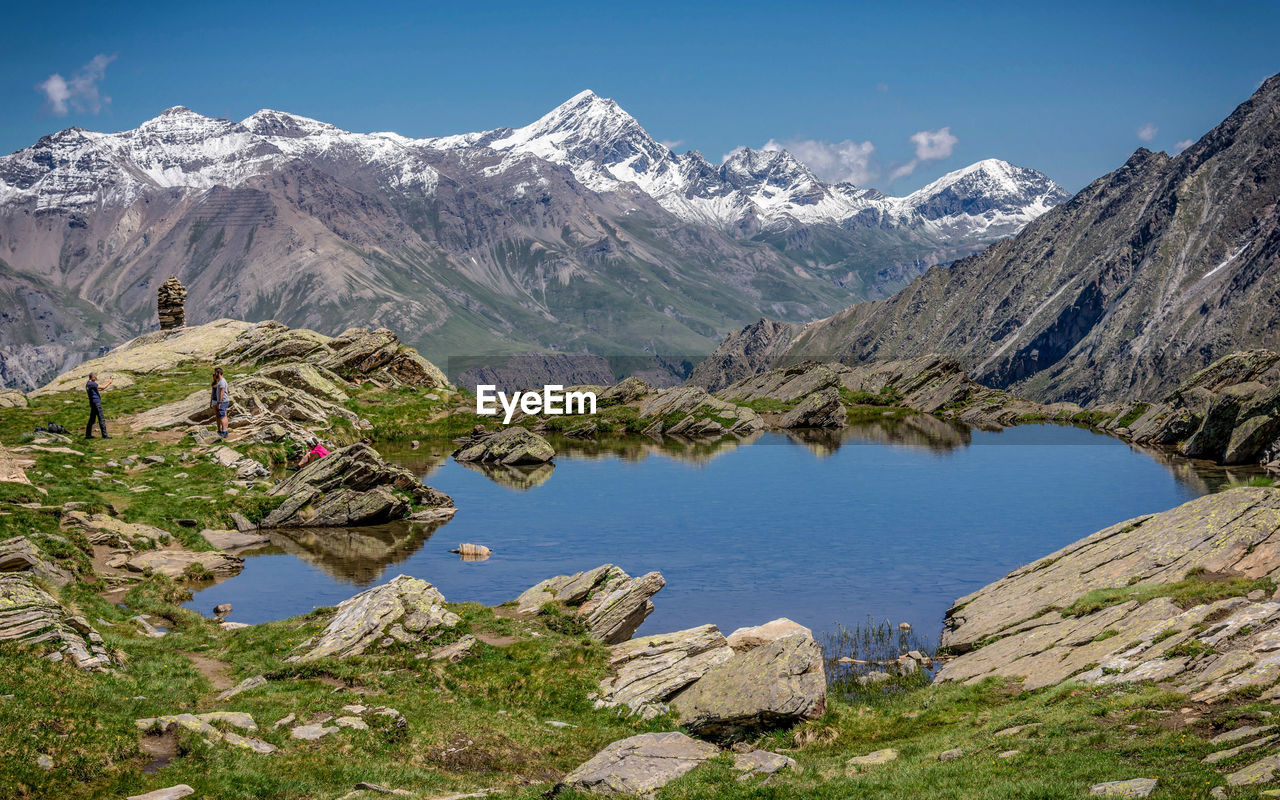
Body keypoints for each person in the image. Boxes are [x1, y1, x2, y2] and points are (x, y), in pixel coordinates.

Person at [85, 372, 113, 439]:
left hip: (92, 403)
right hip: (96, 403)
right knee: (101, 419)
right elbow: (103, 387)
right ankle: (104, 435)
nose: (96, 378)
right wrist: (109, 382)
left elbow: (100, 389)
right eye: (95, 377)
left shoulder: (88, 384)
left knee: (92, 420)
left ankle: (88, 435)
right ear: (92, 377)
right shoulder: (92, 384)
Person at [210, 367, 230, 438]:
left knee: (222, 416)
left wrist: (219, 402)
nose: (214, 374)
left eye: (215, 373)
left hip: (222, 401)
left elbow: (222, 391)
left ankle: (224, 431)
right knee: (223, 415)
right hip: (224, 400)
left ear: (218, 373)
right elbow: (228, 389)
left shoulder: (221, 381)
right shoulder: (223, 380)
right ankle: (225, 430)